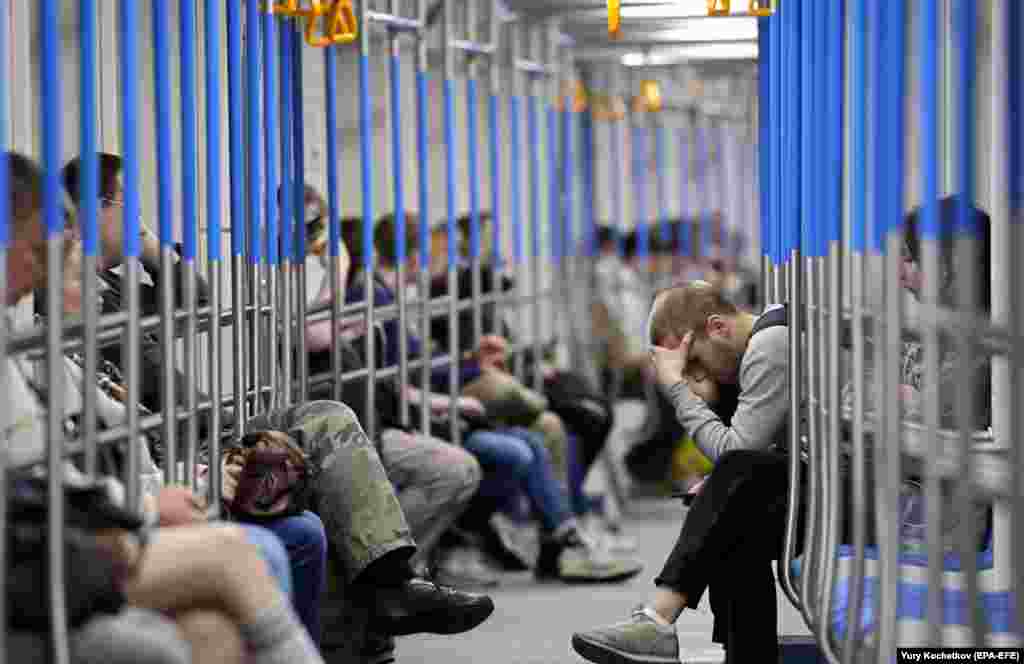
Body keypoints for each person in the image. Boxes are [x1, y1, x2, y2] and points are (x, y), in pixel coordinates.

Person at [4, 150, 324, 664]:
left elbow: (197, 305)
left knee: (313, 451)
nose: (136, 215)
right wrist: (165, 495)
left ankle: (374, 599)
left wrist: (150, 246)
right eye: (127, 203)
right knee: (272, 540)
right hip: (120, 500)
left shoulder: (114, 290)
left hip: (174, 457)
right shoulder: (51, 338)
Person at [348, 213, 644, 585]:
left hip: (429, 406)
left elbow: (415, 366)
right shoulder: (377, 297)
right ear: (415, 256)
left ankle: (563, 542)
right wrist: (463, 389)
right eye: (438, 252)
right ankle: (548, 540)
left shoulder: (392, 297)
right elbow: (401, 379)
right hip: (419, 414)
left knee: (538, 438)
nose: (443, 260)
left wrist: (471, 361)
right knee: (526, 442)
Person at [572, 281, 800, 664]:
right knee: (733, 512)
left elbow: (735, 453)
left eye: (694, 362)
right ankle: (730, 650)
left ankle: (660, 620)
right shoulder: (765, 341)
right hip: (831, 480)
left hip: (859, 491)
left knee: (735, 486)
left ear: (718, 327)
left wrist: (678, 390)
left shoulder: (770, 344)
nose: (696, 377)